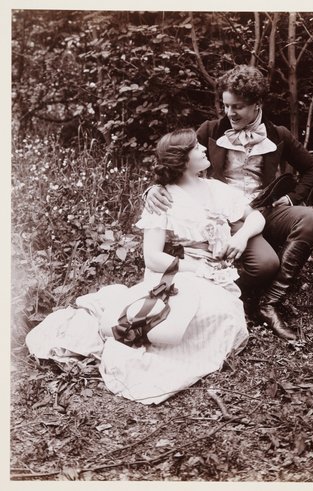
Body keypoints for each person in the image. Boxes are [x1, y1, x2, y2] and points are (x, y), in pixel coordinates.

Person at [26, 128, 265, 404]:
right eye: (196, 147)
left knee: (226, 316)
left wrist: (241, 236)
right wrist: (197, 269)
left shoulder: (217, 189)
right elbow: (152, 257)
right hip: (187, 273)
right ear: (183, 160)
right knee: (194, 317)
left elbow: (255, 217)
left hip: (219, 276)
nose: (203, 150)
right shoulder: (164, 199)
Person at [145, 65, 313, 341]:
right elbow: (175, 159)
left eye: (238, 107)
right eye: (226, 106)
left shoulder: (278, 135)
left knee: (311, 218)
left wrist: (289, 199)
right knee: (264, 263)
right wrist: (153, 190)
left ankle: (269, 302)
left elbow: (312, 168)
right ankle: (226, 289)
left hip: (262, 210)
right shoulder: (211, 131)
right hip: (221, 214)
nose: (230, 113)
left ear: (257, 104)